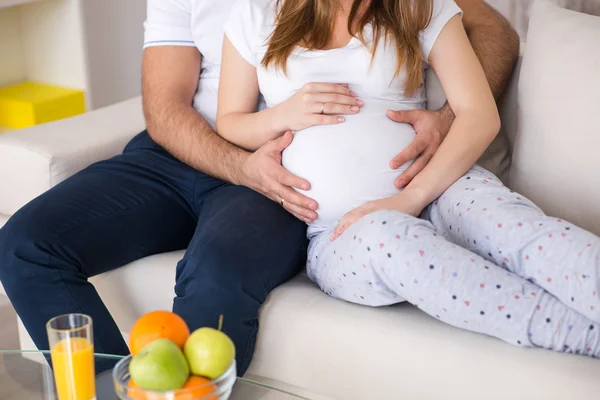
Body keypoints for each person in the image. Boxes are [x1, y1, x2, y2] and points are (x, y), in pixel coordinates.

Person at [0, 0, 520, 376]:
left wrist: (448, 118)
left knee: (216, 279)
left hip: (282, 168)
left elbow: (492, 29)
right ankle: (109, 395)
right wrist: (238, 164)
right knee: (25, 244)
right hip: (189, 153)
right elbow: (164, 108)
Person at [217, 0, 600, 356]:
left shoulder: (416, 4)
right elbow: (230, 122)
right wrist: (283, 114)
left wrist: (410, 198)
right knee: (390, 241)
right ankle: (588, 338)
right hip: (341, 233)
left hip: (443, 188)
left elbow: (479, 114)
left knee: (513, 227)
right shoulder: (256, 11)